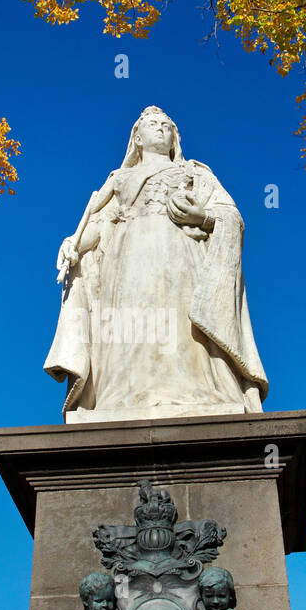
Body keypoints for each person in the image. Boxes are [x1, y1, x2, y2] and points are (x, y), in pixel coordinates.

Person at [45, 106, 268, 420]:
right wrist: (74, 244)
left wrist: (203, 218)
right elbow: (99, 224)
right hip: (127, 260)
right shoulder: (120, 179)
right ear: (137, 136)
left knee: (181, 326)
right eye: (153, 124)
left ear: (175, 137)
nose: (161, 128)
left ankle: (194, 393)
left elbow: (231, 217)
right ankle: (122, 398)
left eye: (167, 125)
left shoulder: (196, 174)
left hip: (181, 255)